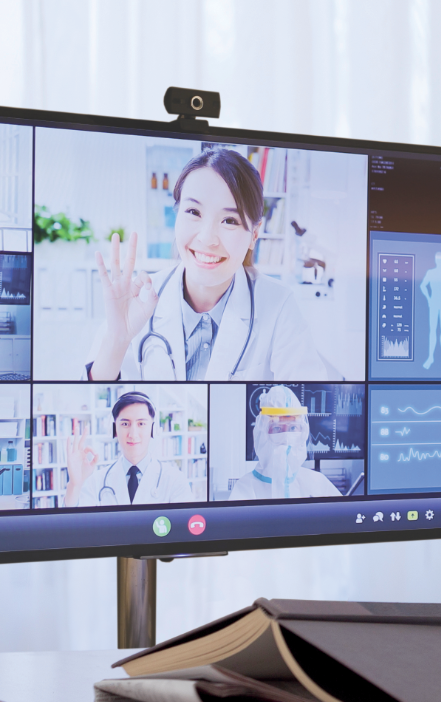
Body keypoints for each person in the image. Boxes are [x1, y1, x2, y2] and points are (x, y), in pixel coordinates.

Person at [86, 148, 341, 382]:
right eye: (194, 212)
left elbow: (309, 400)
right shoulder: (138, 300)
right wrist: (117, 339)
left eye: (229, 220)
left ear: (254, 234)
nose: (207, 238)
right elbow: (95, 403)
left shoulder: (279, 306)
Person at [63, 391, 192, 506]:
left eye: (141, 423)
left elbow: (184, 523)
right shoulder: (96, 481)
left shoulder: (175, 480)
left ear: (153, 429)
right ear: (114, 429)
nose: (133, 434)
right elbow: (73, 522)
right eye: (125, 424)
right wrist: (74, 485)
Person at [228, 385, 342, 500]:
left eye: (293, 428)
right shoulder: (245, 489)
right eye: (277, 428)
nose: (286, 438)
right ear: (263, 433)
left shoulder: (318, 483)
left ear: (303, 431)